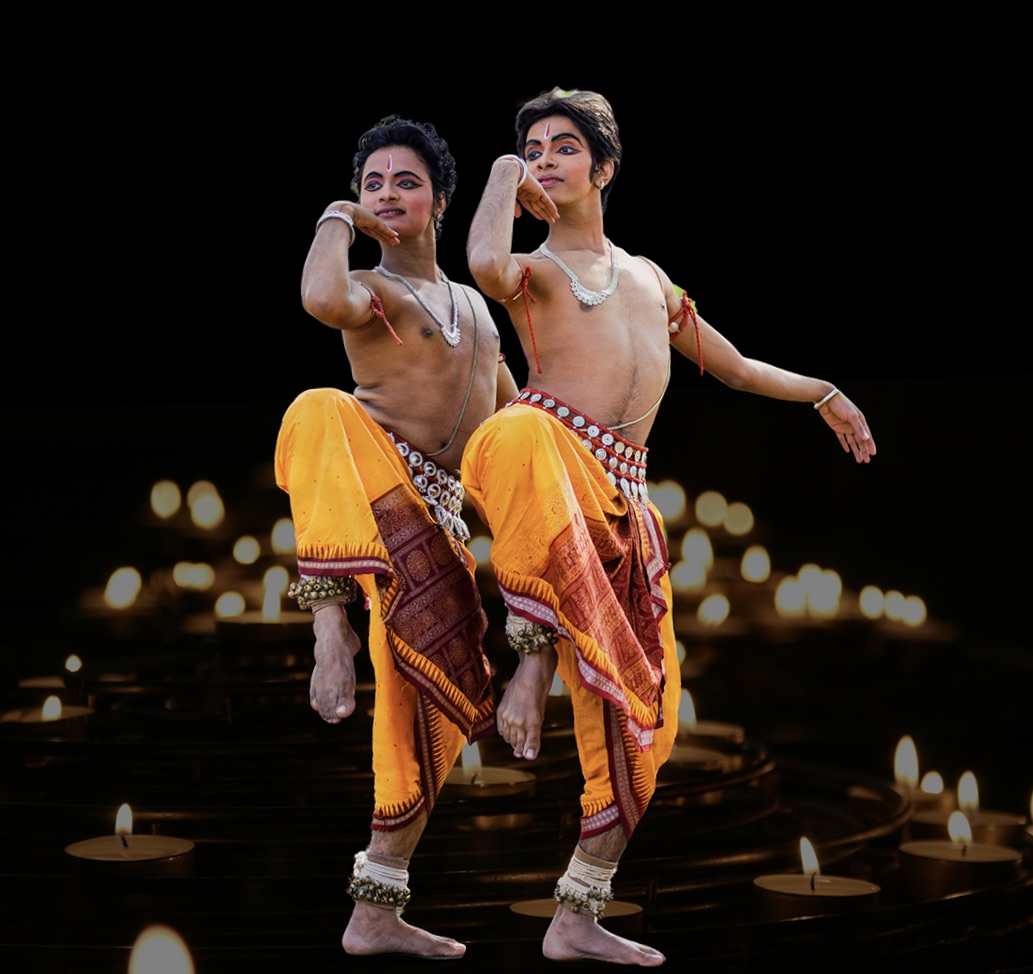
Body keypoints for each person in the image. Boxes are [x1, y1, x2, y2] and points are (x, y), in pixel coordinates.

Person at [463, 87, 876, 966]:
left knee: (648, 722)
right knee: (522, 428)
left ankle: (576, 913)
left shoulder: (650, 280)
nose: (544, 158)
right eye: (532, 147)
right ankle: (529, 663)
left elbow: (733, 367)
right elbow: (483, 262)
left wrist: (822, 392)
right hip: (547, 475)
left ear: (604, 167)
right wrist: (503, 174)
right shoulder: (533, 274)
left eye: (561, 146)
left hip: (625, 505)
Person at [275, 115, 518, 959]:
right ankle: (328, 628)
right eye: (373, 181)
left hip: (441, 525)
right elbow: (316, 299)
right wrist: (337, 217)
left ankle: (375, 909)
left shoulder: (479, 312)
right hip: (369, 497)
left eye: (403, 181)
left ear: (441, 200)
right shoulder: (368, 294)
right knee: (318, 407)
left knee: (435, 719)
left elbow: (509, 429)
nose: (387, 193)